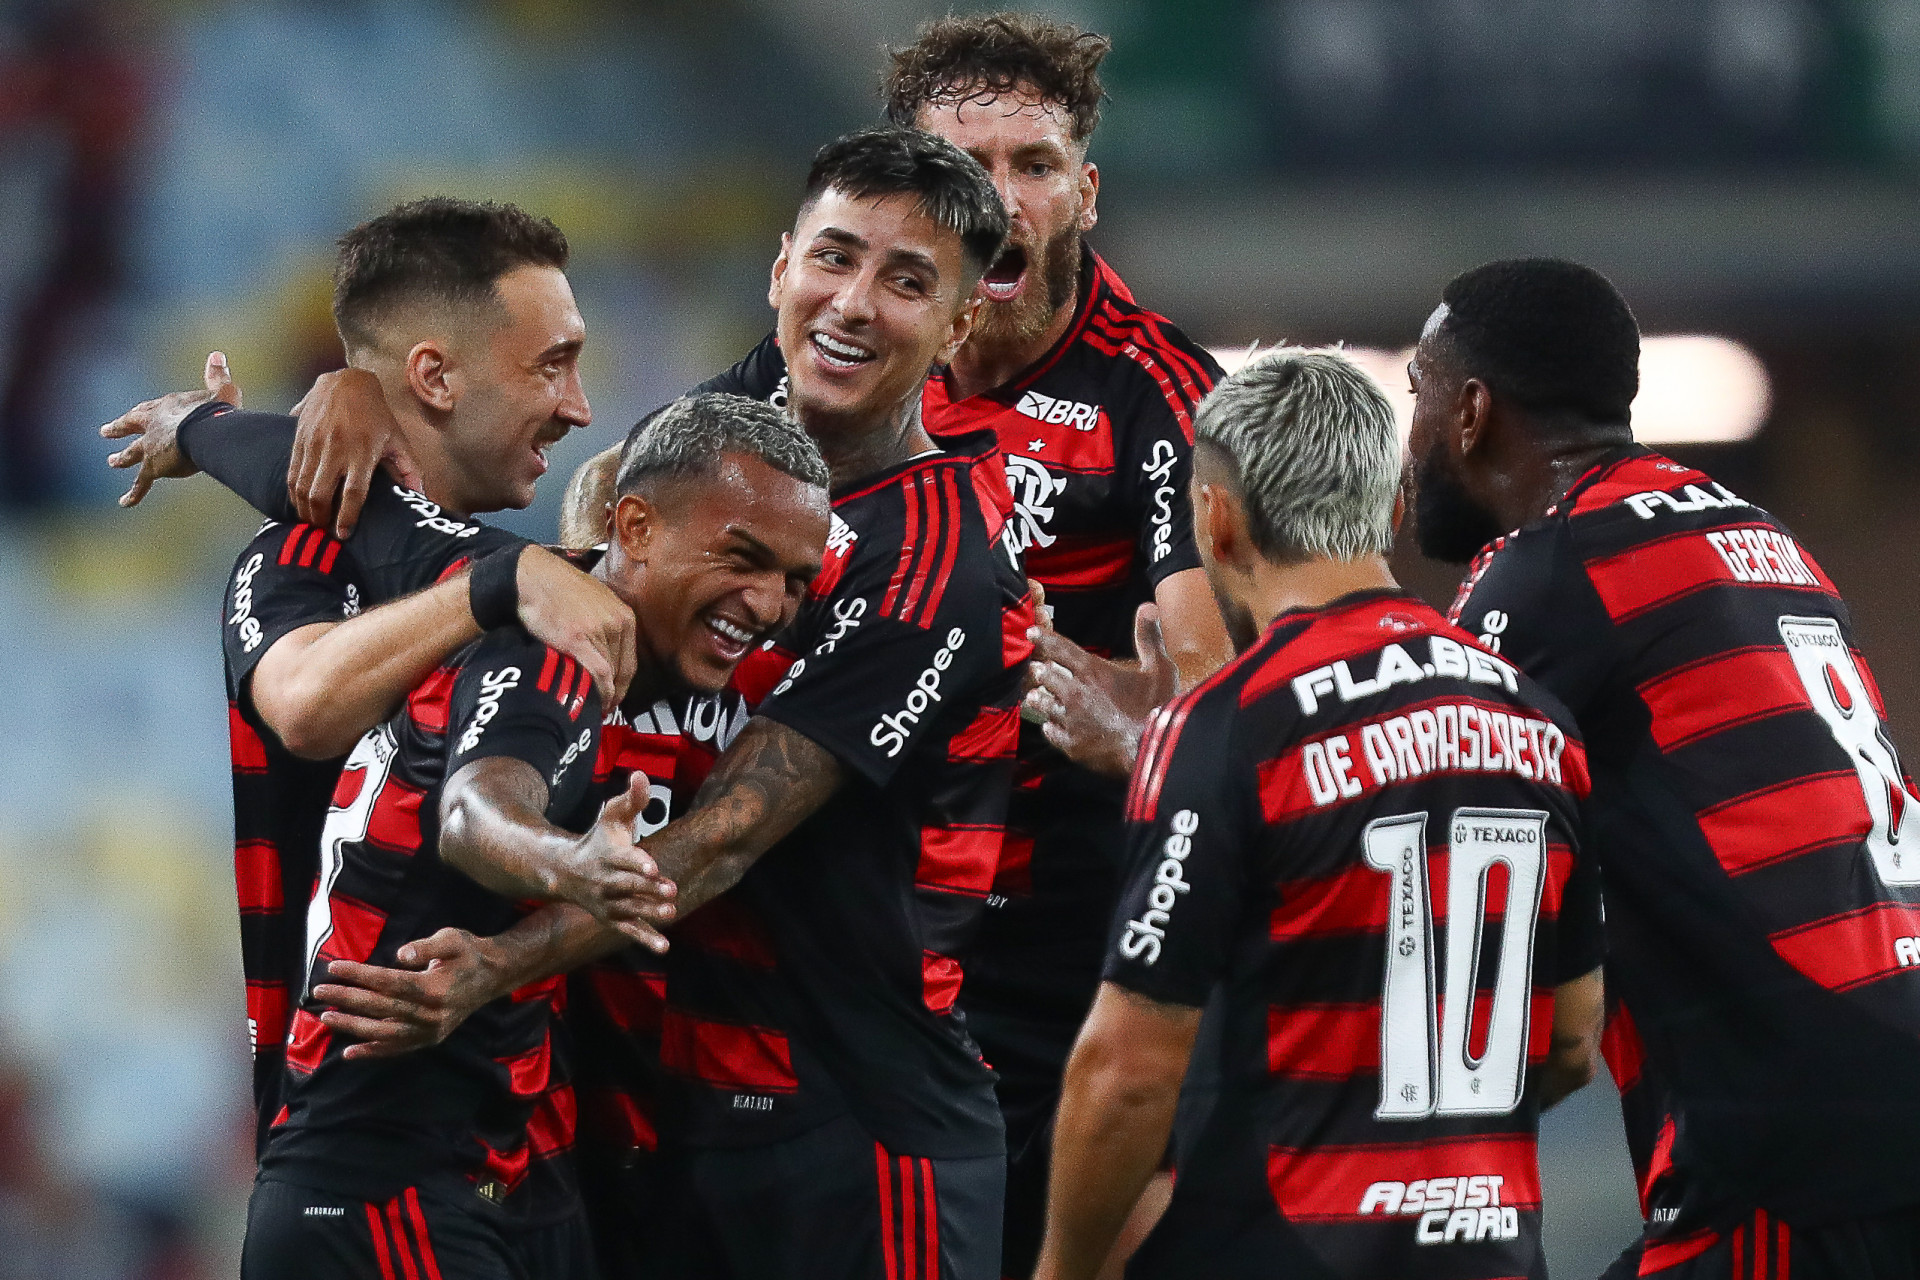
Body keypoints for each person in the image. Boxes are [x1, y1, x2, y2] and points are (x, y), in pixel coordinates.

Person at [318, 126, 1031, 1280]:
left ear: (956, 328)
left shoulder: (937, 556)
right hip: (661, 1122)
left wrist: (498, 965)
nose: (853, 304)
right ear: (780, 265)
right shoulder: (703, 442)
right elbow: (479, 474)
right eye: (835, 258)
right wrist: (359, 388)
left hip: (860, 1137)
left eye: (908, 282)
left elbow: (717, 848)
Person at [1032, 347, 1604, 1280]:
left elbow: (1127, 1075)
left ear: (1215, 523)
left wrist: (1059, 1270)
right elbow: (1573, 1039)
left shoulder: (1229, 726)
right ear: (1393, 510)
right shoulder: (1537, 719)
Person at [239, 393, 828, 1280]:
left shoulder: (599, 623)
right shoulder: (548, 649)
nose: (772, 602)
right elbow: (476, 814)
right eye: (744, 558)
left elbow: (347, 486)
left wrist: (195, 428)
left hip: (499, 1171)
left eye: (795, 578)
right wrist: (573, 863)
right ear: (635, 528)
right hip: (382, 1171)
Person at [96, 198, 643, 1151]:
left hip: (542, 1133)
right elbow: (304, 704)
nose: (579, 405)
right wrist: (499, 584)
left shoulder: (531, 576)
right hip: (364, 1127)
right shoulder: (304, 560)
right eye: (552, 364)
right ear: (433, 374)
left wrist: (215, 429)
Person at [1410, 258, 1920, 1278]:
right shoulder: (1765, 541)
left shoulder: (1556, 566)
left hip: (1797, 1139)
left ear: (1469, 411)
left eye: (1417, 394)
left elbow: (1395, 804)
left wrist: (1178, 748)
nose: (1407, 437)